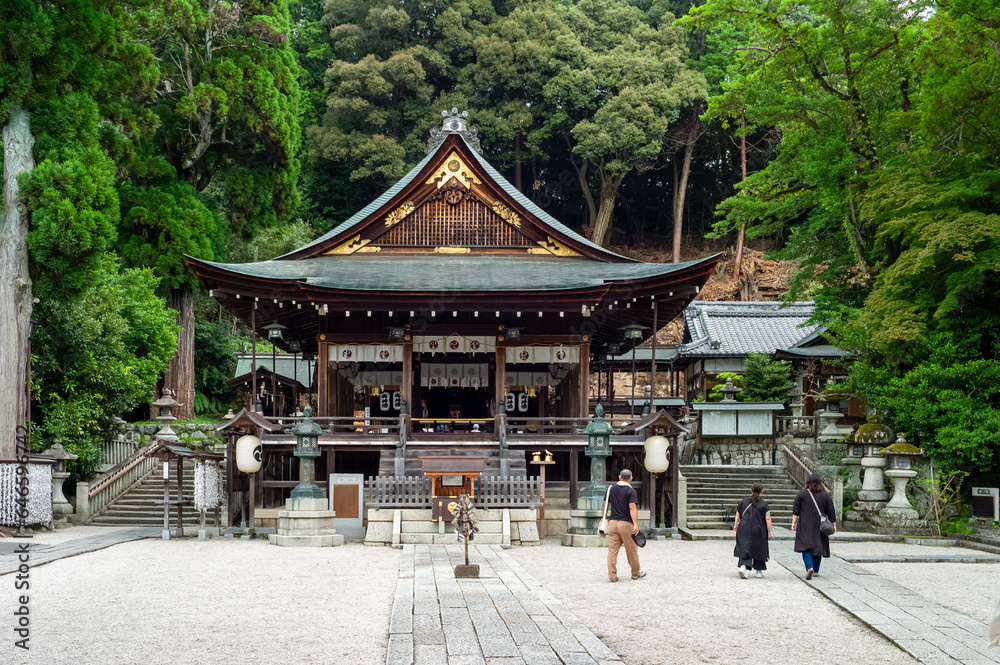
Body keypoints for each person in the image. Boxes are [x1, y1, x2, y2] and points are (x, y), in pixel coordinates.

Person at [791, 473, 837, 579]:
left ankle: (809, 567)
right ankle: (816, 570)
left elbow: (796, 510)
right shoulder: (825, 495)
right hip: (821, 523)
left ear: (807, 482)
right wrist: (833, 524)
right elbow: (831, 510)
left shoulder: (802, 494)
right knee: (818, 545)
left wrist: (793, 523)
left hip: (805, 523)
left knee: (805, 546)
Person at [604, 469, 645, 582]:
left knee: (612, 551)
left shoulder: (611, 489)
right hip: (626, 524)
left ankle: (612, 576)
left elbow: (605, 505)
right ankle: (635, 573)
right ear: (631, 478)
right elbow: (632, 508)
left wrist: (605, 519)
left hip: (612, 523)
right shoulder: (631, 491)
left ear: (619, 477)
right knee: (631, 550)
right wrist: (636, 525)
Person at [733, 482, 772, 578]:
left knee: (745, 546)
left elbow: (738, 514)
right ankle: (758, 571)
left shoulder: (744, 501)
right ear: (761, 492)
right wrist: (770, 531)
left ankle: (743, 566)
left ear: (751, 491)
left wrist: (736, 525)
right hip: (759, 529)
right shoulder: (764, 503)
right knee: (759, 547)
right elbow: (768, 518)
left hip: (744, 528)